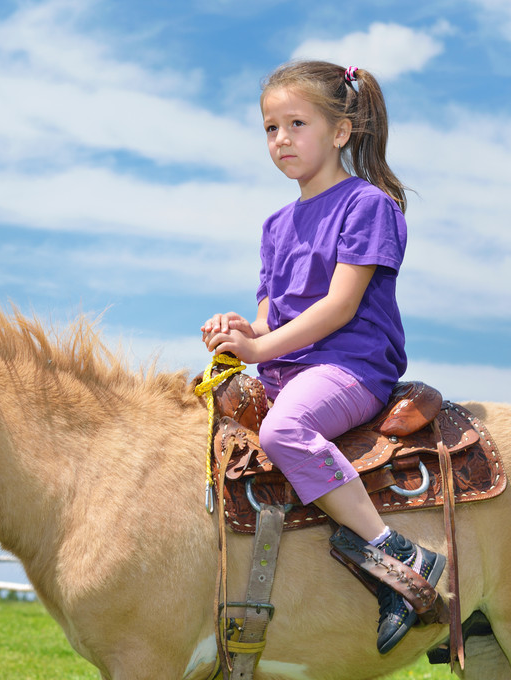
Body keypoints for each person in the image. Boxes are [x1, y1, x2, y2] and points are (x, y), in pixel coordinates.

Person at [200, 60, 444, 654]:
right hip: (291, 369)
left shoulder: (368, 206)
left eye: (296, 123)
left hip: (350, 366)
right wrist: (240, 329)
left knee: (285, 431)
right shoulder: (275, 225)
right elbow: (270, 317)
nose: (280, 139)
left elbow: (337, 309)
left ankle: (397, 553)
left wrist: (259, 347)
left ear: (341, 131)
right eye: (269, 128)